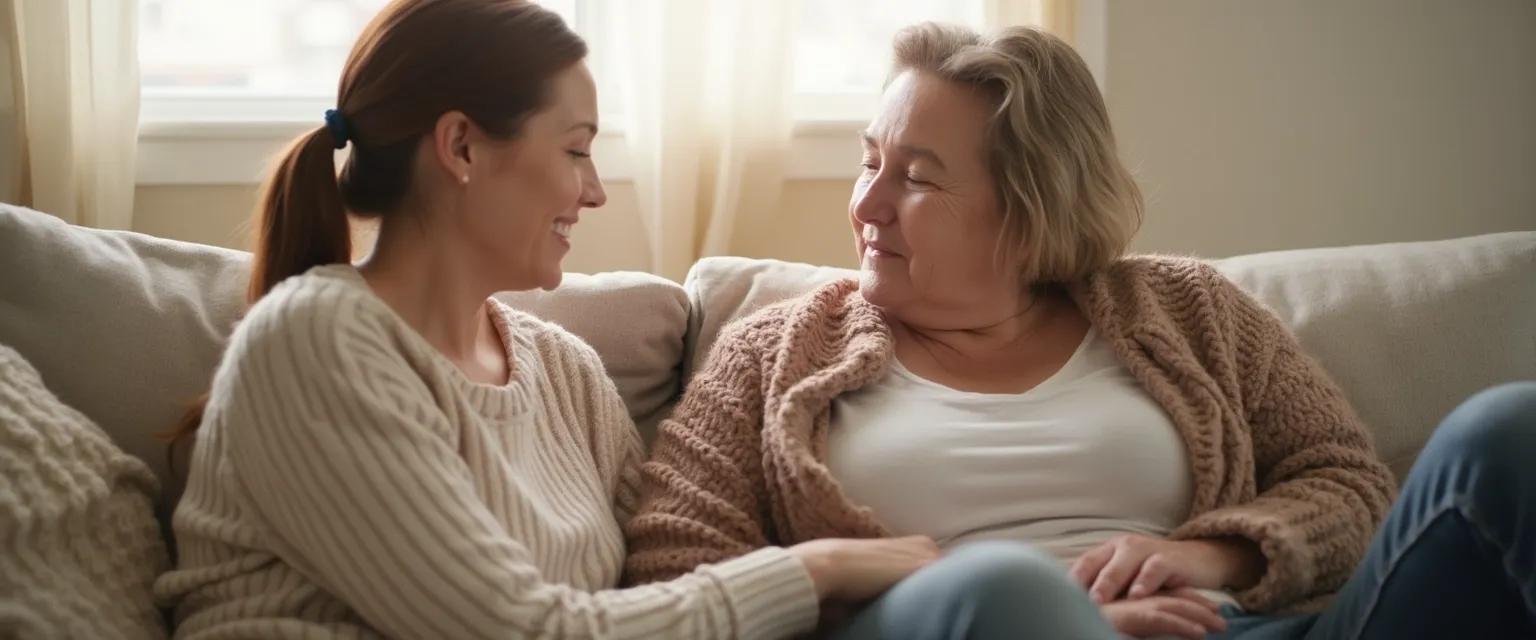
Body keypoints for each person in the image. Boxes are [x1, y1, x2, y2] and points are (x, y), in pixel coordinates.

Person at [623, 22, 1536, 640]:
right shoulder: (775, 353)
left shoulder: (1188, 312)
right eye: (870, 161)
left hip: (1234, 628)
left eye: (917, 178)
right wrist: (1062, 616)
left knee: (1510, 434)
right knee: (1000, 587)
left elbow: (1351, 484)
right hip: (965, 622)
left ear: (1025, 213)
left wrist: (1207, 552)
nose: (866, 203)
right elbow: (677, 568)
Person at [153, 1, 938, 638]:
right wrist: (816, 570)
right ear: (461, 146)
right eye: (575, 151)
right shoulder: (314, 343)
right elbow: (521, 630)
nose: (593, 193)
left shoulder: (565, 373)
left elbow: (665, 593)